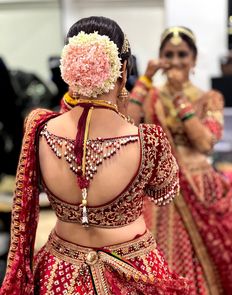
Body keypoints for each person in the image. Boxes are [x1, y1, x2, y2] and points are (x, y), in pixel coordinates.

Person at [0, 17, 189, 295]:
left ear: (69, 66)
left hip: (59, 275)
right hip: (133, 272)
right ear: (123, 69)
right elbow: (165, 192)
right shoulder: (148, 140)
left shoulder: (40, 129)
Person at [128, 26, 232, 295]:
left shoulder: (209, 98)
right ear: (160, 58)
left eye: (182, 54)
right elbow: (126, 123)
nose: (176, 61)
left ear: (194, 59)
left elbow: (205, 142)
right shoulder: (151, 96)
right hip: (158, 194)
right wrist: (146, 79)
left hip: (200, 188)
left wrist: (179, 98)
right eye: (169, 54)